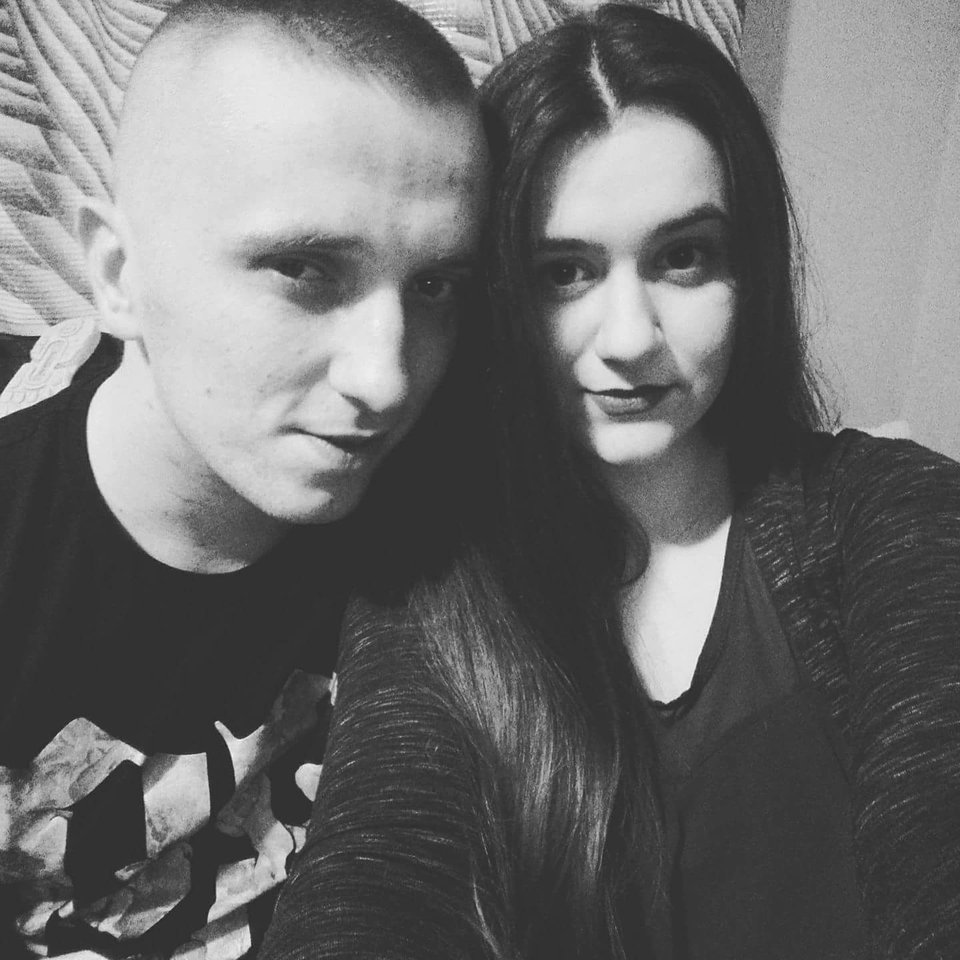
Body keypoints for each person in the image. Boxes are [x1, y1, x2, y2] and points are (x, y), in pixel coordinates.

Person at [261, 6, 960, 960]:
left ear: (750, 270)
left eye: (683, 257)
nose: (630, 338)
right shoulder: (429, 592)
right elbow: (378, 881)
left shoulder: (892, 512)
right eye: (564, 272)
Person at [0, 0, 490, 956]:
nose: (387, 377)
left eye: (435, 285)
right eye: (305, 268)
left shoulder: (449, 528)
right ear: (119, 274)